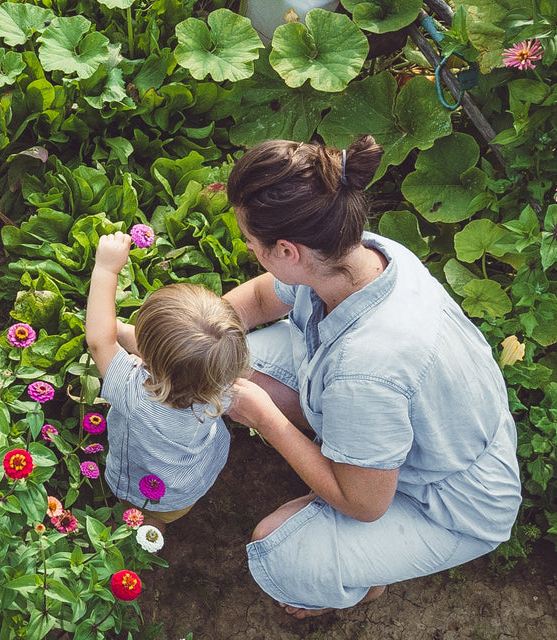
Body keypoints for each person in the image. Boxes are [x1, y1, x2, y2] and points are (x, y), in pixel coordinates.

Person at [222, 137, 522, 618]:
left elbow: (363, 504)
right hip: (425, 429)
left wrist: (262, 415)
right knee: (231, 358)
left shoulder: (367, 369)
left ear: (286, 250)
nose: (248, 247)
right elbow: (260, 300)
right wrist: (199, 328)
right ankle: (352, 465)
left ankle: (362, 584)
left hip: (452, 502)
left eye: (251, 242)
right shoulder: (362, 255)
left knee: (280, 555)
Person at [86, 232, 250, 532]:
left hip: (147, 492)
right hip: (192, 481)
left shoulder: (134, 394)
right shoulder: (220, 384)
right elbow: (176, 362)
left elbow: (98, 341)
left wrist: (106, 269)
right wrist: (123, 331)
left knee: (143, 521)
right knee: (162, 514)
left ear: (150, 359)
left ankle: (142, 542)